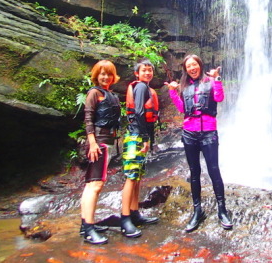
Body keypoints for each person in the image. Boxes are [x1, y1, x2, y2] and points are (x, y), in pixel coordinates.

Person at [165, 54, 233, 232]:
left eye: (194, 64)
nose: (192, 68)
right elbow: (182, 109)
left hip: (208, 132)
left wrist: (217, 79)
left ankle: (222, 210)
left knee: (214, 170)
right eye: (189, 66)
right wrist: (173, 92)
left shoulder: (210, 81)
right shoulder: (184, 86)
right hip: (189, 134)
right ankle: (197, 211)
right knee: (194, 172)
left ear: (200, 65)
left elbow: (219, 98)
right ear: (185, 69)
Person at [80, 60, 121, 245]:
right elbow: (88, 118)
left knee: (94, 183)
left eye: (109, 74)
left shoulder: (110, 94)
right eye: (102, 74)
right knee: (94, 184)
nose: (105, 77)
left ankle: (86, 224)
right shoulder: (94, 93)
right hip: (98, 141)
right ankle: (89, 229)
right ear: (96, 75)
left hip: (107, 141)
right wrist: (92, 142)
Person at [120, 59, 159, 238]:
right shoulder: (142, 87)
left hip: (137, 135)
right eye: (144, 70)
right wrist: (145, 138)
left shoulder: (144, 88)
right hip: (136, 136)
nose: (148, 73)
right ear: (137, 73)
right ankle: (125, 218)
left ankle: (135, 213)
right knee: (131, 177)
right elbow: (139, 113)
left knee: (136, 177)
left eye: (150, 70)